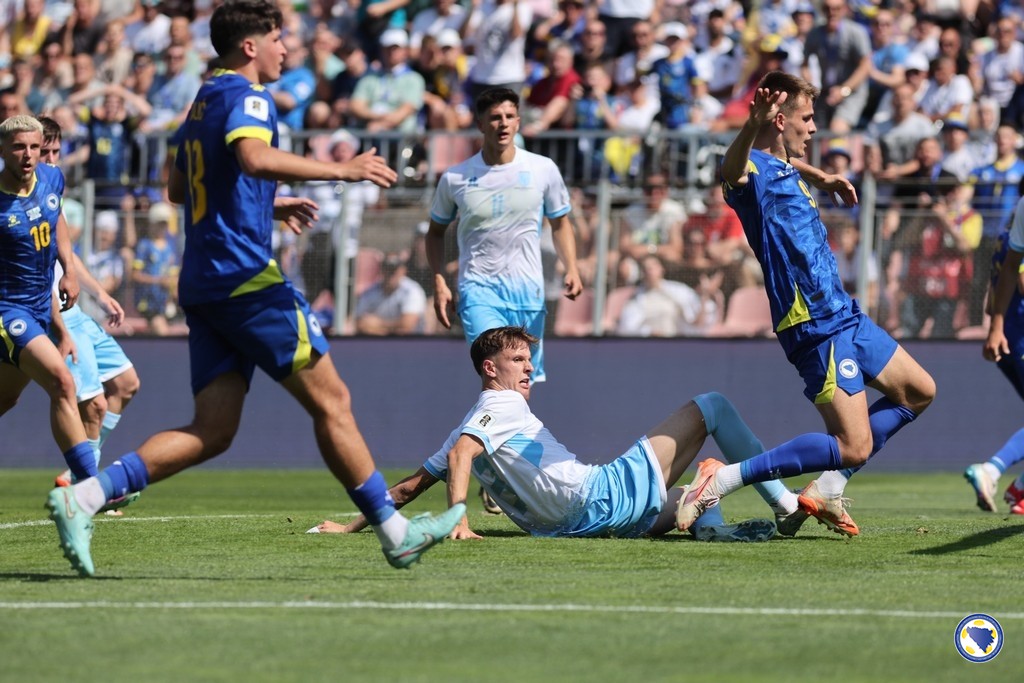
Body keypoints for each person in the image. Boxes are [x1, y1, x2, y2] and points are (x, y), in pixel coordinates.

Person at [45, 0, 465, 578]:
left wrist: (265, 202)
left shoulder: (201, 100)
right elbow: (252, 155)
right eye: (278, 38)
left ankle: (86, 496)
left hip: (203, 280)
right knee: (332, 401)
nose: (286, 50)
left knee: (213, 430)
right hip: (246, 278)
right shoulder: (250, 96)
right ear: (251, 46)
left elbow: (177, 188)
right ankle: (396, 533)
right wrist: (340, 170)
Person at [676, 71, 936, 538]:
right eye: (808, 118)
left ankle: (828, 488)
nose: (815, 128)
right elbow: (732, 172)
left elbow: (785, 163)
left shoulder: (785, 168)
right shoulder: (752, 174)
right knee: (853, 446)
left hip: (844, 313)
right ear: (780, 120)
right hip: (813, 324)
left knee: (919, 391)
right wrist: (751, 124)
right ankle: (723, 478)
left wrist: (822, 176)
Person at [311, 325, 804, 542]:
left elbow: (406, 490)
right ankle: (783, 503)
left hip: (588, 525)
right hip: (603, 495)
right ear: (490, 369)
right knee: (713, 406)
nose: (529, 368)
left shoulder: (473, 422)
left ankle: (709, 520)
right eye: (518, 360)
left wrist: (349, 527)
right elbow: (462, 455)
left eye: (530, 359)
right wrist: (457, 519)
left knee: (689, 493)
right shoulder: (501, 403)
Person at [425, 86, 583, 384]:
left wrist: (572, 267)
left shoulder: (542, 169)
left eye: (510, 116)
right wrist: (439, 280)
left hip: (527, 291)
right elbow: (435, 233)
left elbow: (561, 224)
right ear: (480, 124)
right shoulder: (456, 177)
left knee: (522, 379)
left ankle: (510, 418)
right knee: (497, 368)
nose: (503, 123)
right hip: (478, 289)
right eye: (495, 117)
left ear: (518, 122)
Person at [37, 116, 142, 495]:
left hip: (76, 312)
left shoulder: (52, 193)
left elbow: (68, 256)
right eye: (43, 152)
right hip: (52, 314)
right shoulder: (19, 196)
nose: (50, 159)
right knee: (93, 405)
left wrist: (100, 293)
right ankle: (88, 488)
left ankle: (78, 475)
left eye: (54, 151)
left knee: (126, 384)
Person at [0, 115, 94, 489]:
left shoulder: (52, 178)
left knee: (6, 398)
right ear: (2, 150)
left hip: (41, 306)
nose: (28, 155)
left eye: (34, 147)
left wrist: (68, 269)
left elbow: (57, 223)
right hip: (8, 311)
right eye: (18, 147)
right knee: (61, 381)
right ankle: (91, 488)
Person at [975, 186, 1024, 515]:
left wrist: (994, 326)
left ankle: (1019, 490)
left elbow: (996, 289)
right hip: (1018, 335)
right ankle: (993, 471)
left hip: (1005, 333)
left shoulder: (1006, 236)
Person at [354, 252, 428, 335]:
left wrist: (377, 324)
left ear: (403, 271)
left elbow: (407, 326)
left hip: (411, 341)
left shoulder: (412, 291)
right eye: (387, 268)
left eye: (394, 270)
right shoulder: (371, 291)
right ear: (381, 270)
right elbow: (358, 322)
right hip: (377, 340)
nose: (390, 273)